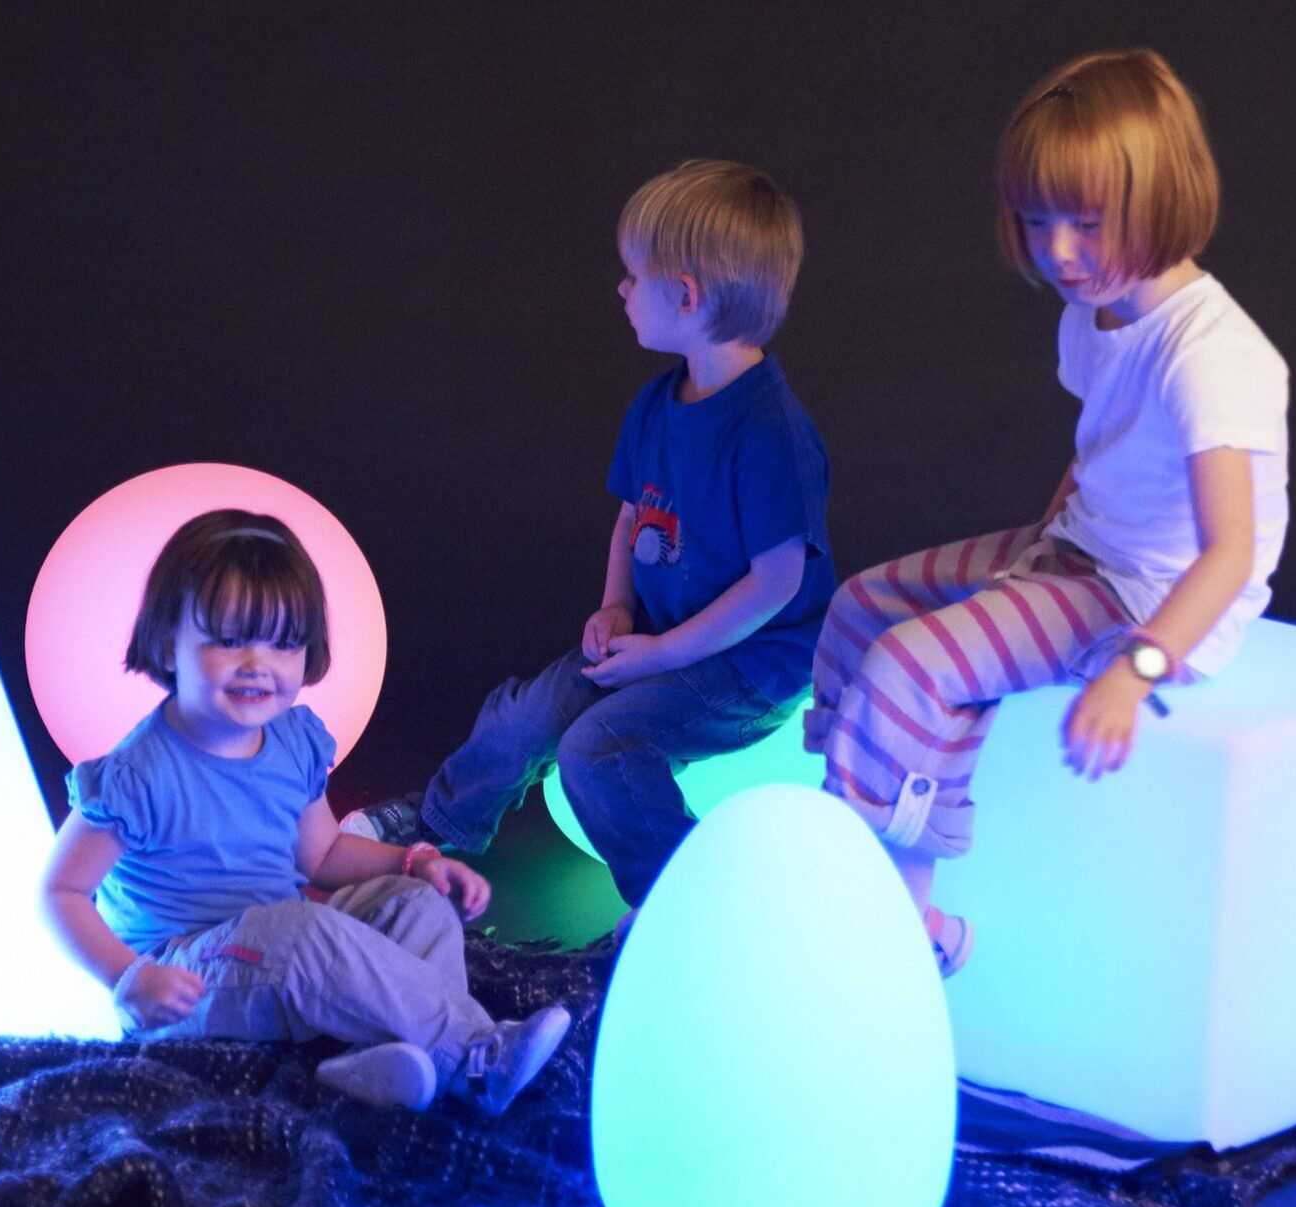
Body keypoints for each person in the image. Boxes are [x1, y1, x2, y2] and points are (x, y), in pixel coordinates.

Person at [809, 48, 1289, 977]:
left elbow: (1229, 554)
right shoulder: (1097, 311)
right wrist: (1034, 550)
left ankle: (906, 922)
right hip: (1081, 549)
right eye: (1038, 222)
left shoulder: (1208, 358)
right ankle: (849, 812)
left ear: (1159, 202)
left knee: (913, 665)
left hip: (1149, 599)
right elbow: (1100, 448)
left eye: (1087, 224)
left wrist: (1136, 671)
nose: (1058, 252)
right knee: (862, 603)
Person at [344, 159, 836, 926]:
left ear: (687, 296)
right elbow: (632, 520)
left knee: (596, 750)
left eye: (634, 276)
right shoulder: (657, 404)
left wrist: (664, 654)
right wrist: (616, 606)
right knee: (527, 715)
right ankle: (438, 824)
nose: (620, 289)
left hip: (748, 667)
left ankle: (683, 906)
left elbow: (776, 584)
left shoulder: (770, 433)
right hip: (659, 637)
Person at [40, 508, 570, 1113]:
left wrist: (414, 861)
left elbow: (323, 854)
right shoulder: (140, 774)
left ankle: (390, 1060)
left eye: (283, 643)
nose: (257, 664)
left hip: (274, 951)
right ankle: (475, 1058)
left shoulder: (292, 741)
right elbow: (61, 891)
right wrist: (127, 977)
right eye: (229, 640)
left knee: (417, 905)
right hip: (187, 980)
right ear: (167, 644)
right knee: (304, 933)